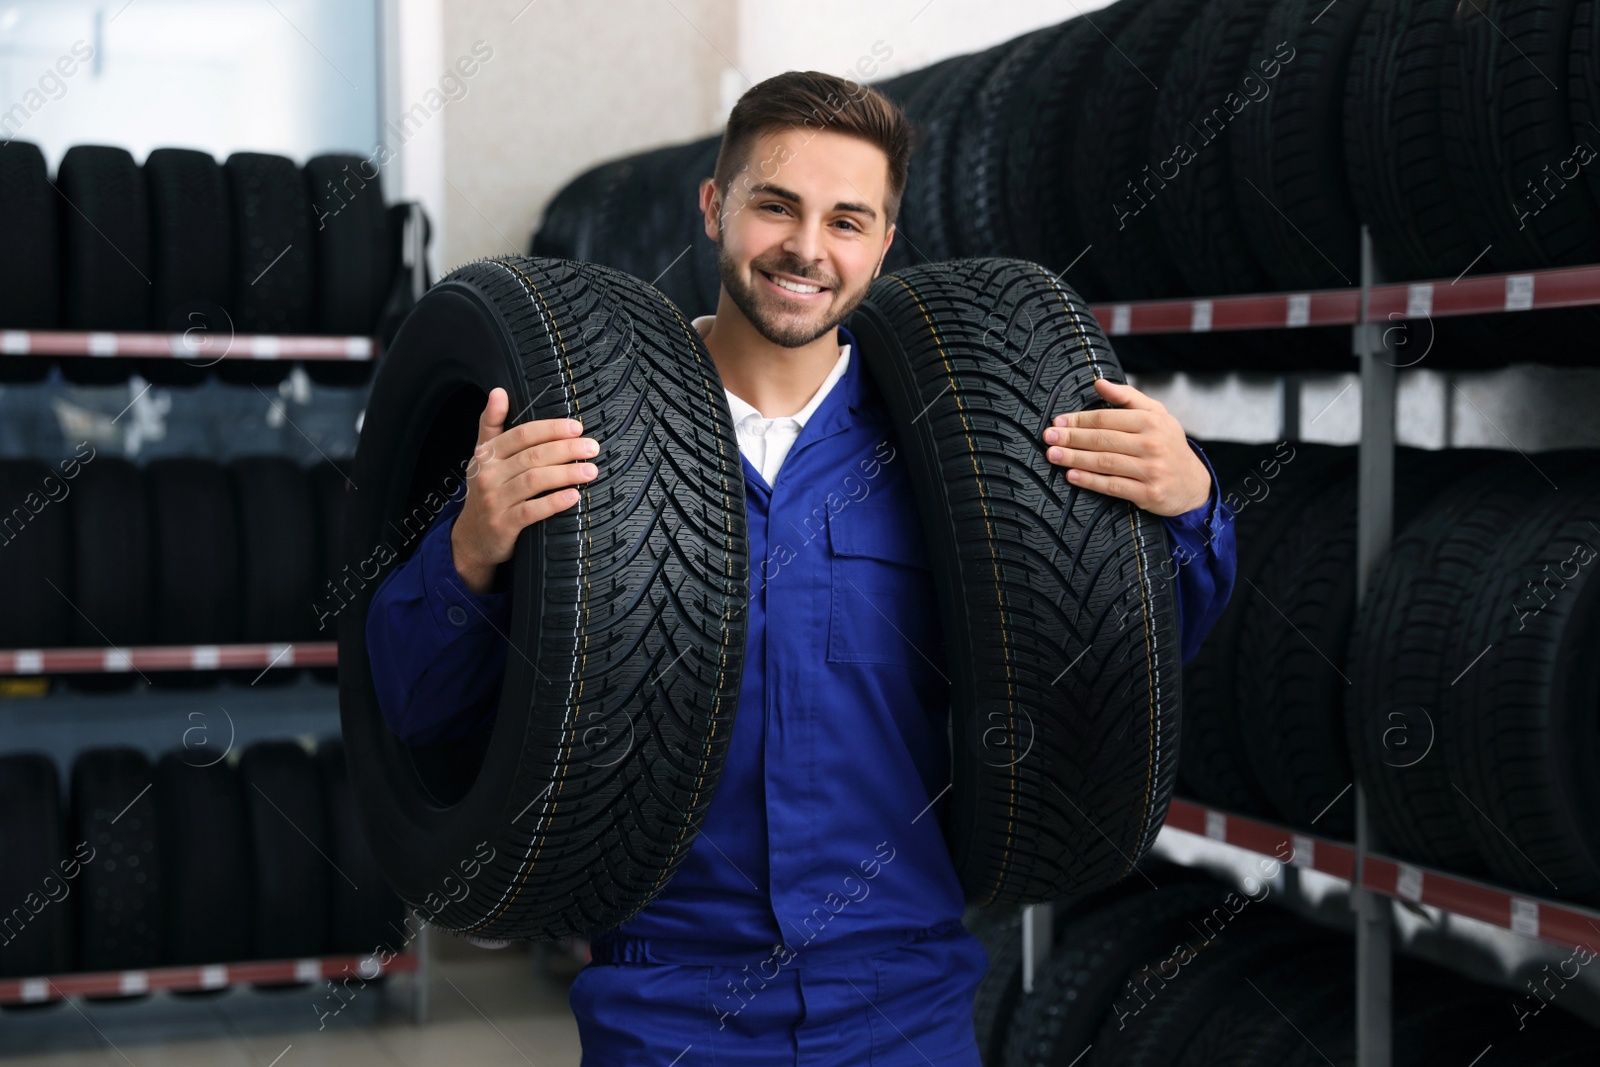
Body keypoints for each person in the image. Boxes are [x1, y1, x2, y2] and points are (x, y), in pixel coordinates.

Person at [365, 70, 1237, 1067]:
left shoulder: (965, 457)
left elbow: (1112, 667)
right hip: (669, 1002)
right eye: (775, 204)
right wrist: (471, 546)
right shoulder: (581, 442)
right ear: (713, 206)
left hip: (901, 998)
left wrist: (1189, 507)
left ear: (883, 244)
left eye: (847, 219)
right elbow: (419, 706)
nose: (806, 249)